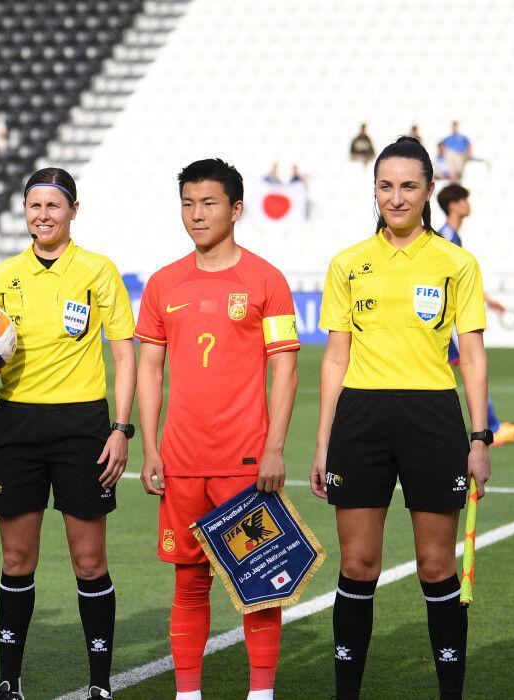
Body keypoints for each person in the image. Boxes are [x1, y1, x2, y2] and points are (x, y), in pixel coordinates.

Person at [311, 136, 492, 700]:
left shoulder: (456, 263)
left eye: (409, 186)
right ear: (374, 190)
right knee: (358, 563)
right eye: (386, 186)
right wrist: (322, 443)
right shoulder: (347, 263)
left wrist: (480, 437)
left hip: (431, 416)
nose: (396, 197)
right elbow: (334, 359)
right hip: (361, 418)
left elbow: (473, 357)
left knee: (436, 565)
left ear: (429, 190)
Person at [0, 167, 136, 700]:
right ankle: (8, 681)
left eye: (54, 206)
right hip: (16, 425)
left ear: (73, 211)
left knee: (90, 561)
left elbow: (124, 353)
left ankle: (100, 684)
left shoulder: (98, 270)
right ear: (25, 211)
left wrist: (121, 429)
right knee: (17, 561)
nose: (43, 215)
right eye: (34, 206)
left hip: (83, 426)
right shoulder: (4, 275)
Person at [136, 158, 301, 700]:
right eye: (187, 203)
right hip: (181, 462)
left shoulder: (267, 280)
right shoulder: (163, 284)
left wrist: (274, 447)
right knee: (188, 582)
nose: (196, 214)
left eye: (208, 203)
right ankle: (188, 694)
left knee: (260, 582)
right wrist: (151, 448)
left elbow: (285, 368)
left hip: (245, 462)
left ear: (236, 209)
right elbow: (150, 369)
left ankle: (261, 693)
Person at [436, 183, 514, 445]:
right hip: (450, 320)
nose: (468, 204)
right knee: (472, 367)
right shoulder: (446, 236)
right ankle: (492, 428)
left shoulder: (451, 235)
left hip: (452, 316)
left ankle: (493, 424)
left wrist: (486, 299)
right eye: (464, 200)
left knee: (468, 368)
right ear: (454, 205)